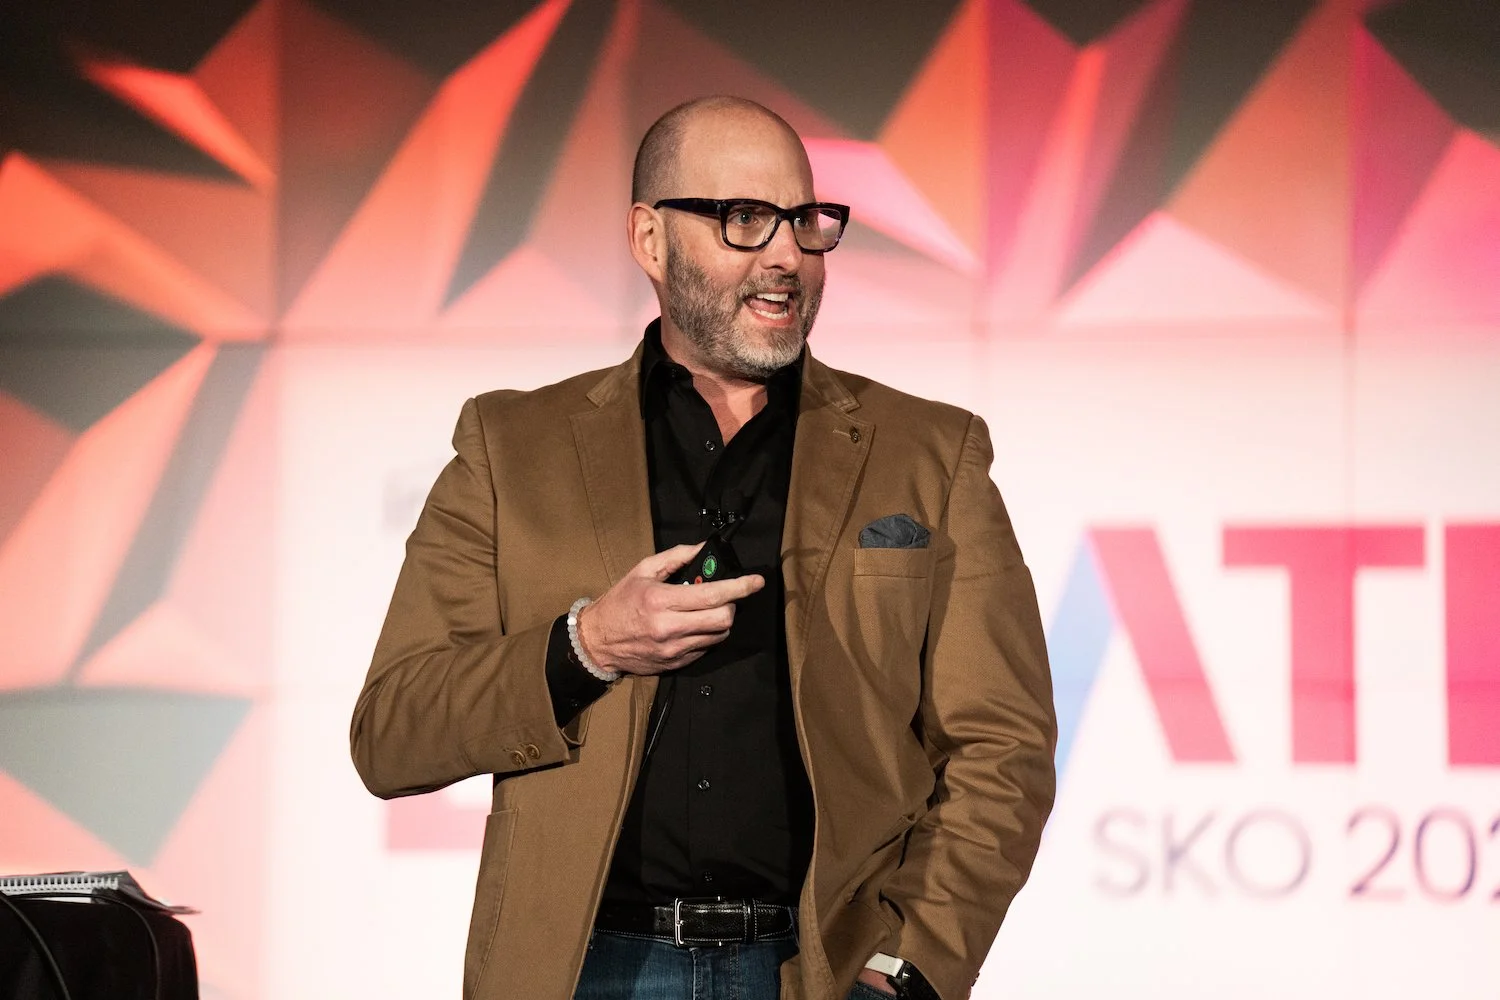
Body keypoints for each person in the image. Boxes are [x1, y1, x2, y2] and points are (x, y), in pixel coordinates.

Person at [351, 95, 1056, 1000]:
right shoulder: (511, 447)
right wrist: (585, 648)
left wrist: (906, 969)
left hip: (818, 971)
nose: (788, 256)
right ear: (651, 240)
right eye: (744, 219)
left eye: (805, 222)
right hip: (586, 969)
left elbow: (1004, 745)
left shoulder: (928, 453)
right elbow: (391, 734)